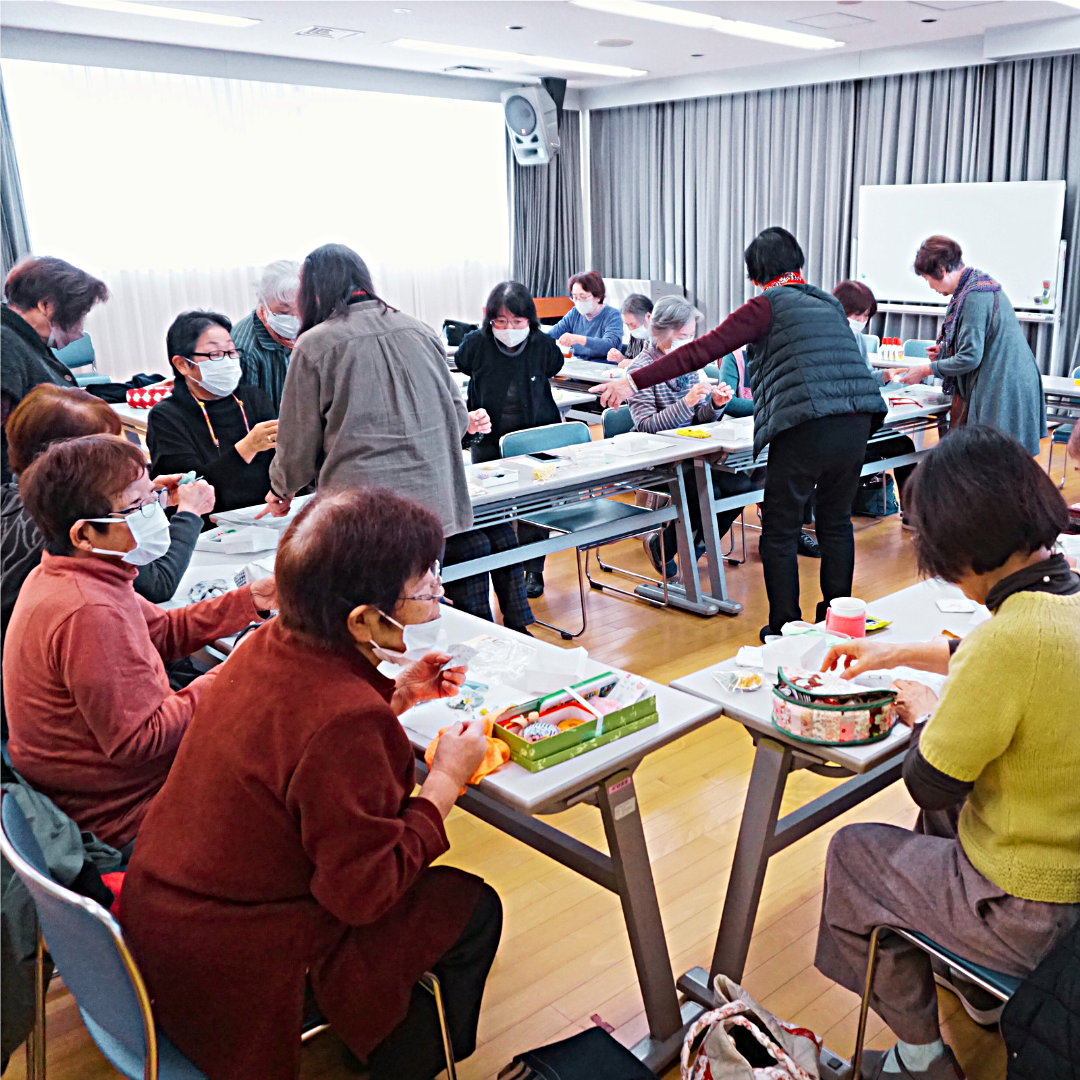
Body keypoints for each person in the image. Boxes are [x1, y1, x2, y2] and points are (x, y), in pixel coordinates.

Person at [120, 487, 502, 1080]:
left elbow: (298, 736)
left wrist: (394, 696)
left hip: (163, 925)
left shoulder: (261, 646)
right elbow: (365, 893)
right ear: (364, 620)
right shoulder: (346, 722)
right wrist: (445, 780)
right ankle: (394, 1056)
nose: (440, 596)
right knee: (472, 908)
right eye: (426, 590)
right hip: (234, 962)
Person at [814, 426, 1080, 1080]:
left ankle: (922, 1059)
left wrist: (923, 708)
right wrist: (897, 651)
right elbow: (1010, 658)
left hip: (1031, 908)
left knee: (854, 855)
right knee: (942, 827)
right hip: (1068, 874)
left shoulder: (1011, 640)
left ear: (961, 550)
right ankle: (976, 991)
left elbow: (929, 780)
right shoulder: (1061, 604)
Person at [594, 227, 885, 639]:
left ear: (754, 276)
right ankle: (838, 622)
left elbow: (700, 350)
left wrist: (633, 381)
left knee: (780, 530)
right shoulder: (827, 302)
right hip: (859, 417)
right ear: (798, 265)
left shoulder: (765, 304)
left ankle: (784, 626)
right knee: (836, 522)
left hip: (805, 423)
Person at [3, 434, 274, 849]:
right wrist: (240, 669)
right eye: (139, 507)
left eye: (155, 499)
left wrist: (251, 600)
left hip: (115, 789)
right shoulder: (87, 611)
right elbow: (141, 740)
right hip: (127, 816)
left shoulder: (73, 572)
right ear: (83, 533)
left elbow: (162, 632)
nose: (155, 514)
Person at [262, 245, 524, 629]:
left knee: (380, 616)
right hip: (435, 503)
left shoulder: (316, 344)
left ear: (314, 290)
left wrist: (281, 488)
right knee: (426, 602)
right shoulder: (419, 329)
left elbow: (296, 441)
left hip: (365, 511)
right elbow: (456, 417)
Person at [2, 385, 215, 637]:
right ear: (68, 460)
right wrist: (189, 513)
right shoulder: (69, 527)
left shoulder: (11, 497)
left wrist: (144, 498)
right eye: (107, 447)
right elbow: (159, 585)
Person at [626, 294, 754, 580]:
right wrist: (684, 403)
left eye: (691, 336)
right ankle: (667, 546)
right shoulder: (639, 370)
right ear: (662, 330)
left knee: (741, 488)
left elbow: (699, 421)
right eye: (683, 335)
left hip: (693, 451)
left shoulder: (689, 364)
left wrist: (715, 405)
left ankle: (692, 546)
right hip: (657, 457)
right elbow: (646, 426)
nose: (689, 342)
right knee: (707, 492)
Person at [456, 281, 563, 601]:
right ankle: (495, 567)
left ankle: (533, 570)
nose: (510, 328)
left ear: (530, 320)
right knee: (491, 503)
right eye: (501, 321)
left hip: (535, 433)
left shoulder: (542, 344)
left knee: (536, 503)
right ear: (489, 320)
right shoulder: (476, 344)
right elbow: (462, 364)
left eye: (518, 322)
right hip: (488, 436)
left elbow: (554, 366)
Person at [901, 235, 1046, 455]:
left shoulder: (975, 295)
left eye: (927, 278)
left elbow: (970, 357)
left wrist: (926, 369)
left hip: (1003, 383)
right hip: (1003, 378)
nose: (929, 285)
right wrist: (946, 352)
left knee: (994, 460)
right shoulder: (975, 285)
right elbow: (979, 342)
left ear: (941, 270)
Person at [147, 311, 278, 523]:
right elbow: (188, 492)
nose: (228, 360)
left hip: (266, 516)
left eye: (232, 351)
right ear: (182, 364)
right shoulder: (167, 417)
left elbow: (279, 466)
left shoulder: (254, 398)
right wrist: (247, 447)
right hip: (209, 527)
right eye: (215, 354)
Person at [1, 256, 109, 480]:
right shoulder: (6, 344)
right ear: (46, 306)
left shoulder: (25, 341)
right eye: (80, 316)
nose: (80, 332)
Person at [833, 280, 917, 518]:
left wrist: (884, 375)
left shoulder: (856, 338)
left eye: (866, 316)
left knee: (904, 446)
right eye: (858, 314)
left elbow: (863, 375)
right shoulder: (825, 339)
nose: (862, 321)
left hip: (858, 425)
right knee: (900, 446)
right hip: (837, 431)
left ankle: (913, 514)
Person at [232, 259, 302, 411]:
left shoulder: (310, 330)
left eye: (301, 309)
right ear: (262, 301)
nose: (294, 317)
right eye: (284, 311)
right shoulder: (245, 348)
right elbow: (249, 413)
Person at [547, 271, 624, 362]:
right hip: (578, 366)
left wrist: (578, 339)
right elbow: (551, 334)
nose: (578, 302)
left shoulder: (612, 315)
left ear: (598, 296)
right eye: (574, 297)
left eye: (583, 297)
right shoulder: (575, 313)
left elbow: (610, 345)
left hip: (604, 369)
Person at [607, 293, 653, 367]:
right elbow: (628, 360)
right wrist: (620, 358)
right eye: (627, 325)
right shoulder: (635, 334)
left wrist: (632, 363)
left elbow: (657, 366)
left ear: (648, 317)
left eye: (633, 324)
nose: (631, 329)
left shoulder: (662, 336)